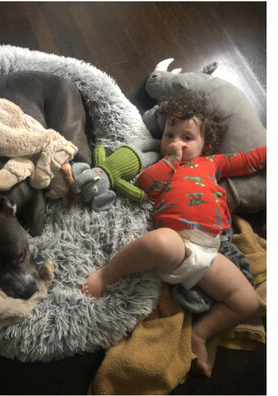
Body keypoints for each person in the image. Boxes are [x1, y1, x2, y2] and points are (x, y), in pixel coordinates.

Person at [80, 92, 266, 377]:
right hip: (177, 243)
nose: (175, 142)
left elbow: (249, 160)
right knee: (160, 243)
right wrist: (170, 161)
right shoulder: (162, 165)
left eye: (187, 137)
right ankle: (106, 274)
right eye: (169, 134)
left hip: (210, 253)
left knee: (248, 302)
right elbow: (146, 184)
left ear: (207, 145)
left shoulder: (212, 164)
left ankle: (201, 334)